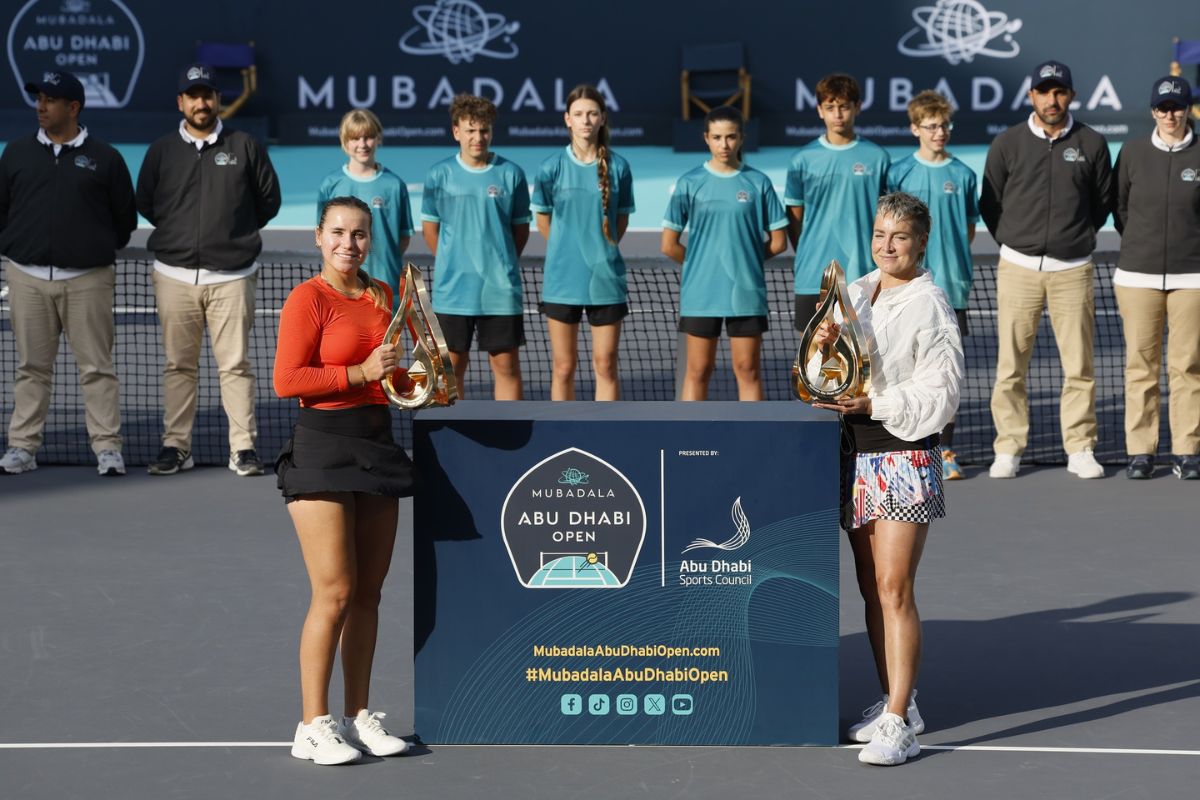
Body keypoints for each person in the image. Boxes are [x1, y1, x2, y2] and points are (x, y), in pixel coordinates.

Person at [809, 192, 963, 766]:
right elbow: (833, 372)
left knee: (895, 587)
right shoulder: (856, 292)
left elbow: (940, 396)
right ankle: (900, 701)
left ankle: (899, 725)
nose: (887, 246)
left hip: (902, 457)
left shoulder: (931, 305)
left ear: (921, 242)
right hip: (854, 457)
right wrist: (824, 354)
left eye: (899, 237)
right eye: (879, 235)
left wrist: (872, 401)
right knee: (872, 588)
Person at [274, 196, 414, 765]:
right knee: (333, 592)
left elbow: (392, 375)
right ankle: (312, 724)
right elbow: (288, 379)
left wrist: (418, 377)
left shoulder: (384, 295)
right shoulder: (307, 298)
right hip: (323, 447)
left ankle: (359, 717)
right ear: (318, 237)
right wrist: (359, 372)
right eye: (337, 233)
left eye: (359, 234)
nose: (348, 244)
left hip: (375, 443)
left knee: (369, 594)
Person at [136, 62, 281, 477]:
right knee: (178, 366)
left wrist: (231, 235)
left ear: (218, 100)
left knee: (235, 366)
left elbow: (268, 201)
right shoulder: (161, 150)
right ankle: (176, 446)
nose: (201, 102)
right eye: (193, 95)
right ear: (181, 102)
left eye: (208, 95)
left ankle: (243, 448)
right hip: (174, 276)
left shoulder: (246, 146)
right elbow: (146, 201)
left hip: (232, 276)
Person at [980, 60, 1114, 479]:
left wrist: (1073, 239)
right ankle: (1009, 447)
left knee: (1079, 367)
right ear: (1031, 96)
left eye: (1059, 92)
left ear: (1071, 95)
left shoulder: (1092, 142)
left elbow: (1102, 202)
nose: (1052, 100)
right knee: (1010, 366)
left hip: (1073, 269)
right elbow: (991, 202)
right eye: (1044, 92)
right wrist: (1014, 239)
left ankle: (1079, 447)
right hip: (1017, 267)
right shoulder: (1007, 143)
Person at [0, 71, 136, 477]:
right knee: (31, 368)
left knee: (97, 368)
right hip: (27, 277)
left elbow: (123, 222)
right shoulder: (16, 153)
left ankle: (108, 448)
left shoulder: (106, 158)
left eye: (50, 100)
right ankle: (22, 447)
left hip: (88, 280)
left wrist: (86, 250)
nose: (41, 107)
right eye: (39, 98)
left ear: (73, 108)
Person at [662, 106, 789, 401]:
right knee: (697, 370)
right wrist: (703, 265)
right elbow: (669, 244)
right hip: (700, 295)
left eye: (731, 137)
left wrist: (742, 260)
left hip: (745, 294)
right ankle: (689, 443)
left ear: (741, 138)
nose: (724, 144)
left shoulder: (758, 183)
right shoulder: (689, 183)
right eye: (717, 137)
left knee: (748, 370)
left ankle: (752, 442)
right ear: (706, 138)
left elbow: (779, 241)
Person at [887, 90, 979, 480]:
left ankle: (945, 450)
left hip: (951, 289)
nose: (939, 132)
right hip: (905, 290)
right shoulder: (899, 173)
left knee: (945, 375)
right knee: (902, 368)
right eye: (931, 126)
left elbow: (968, 232)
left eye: (944, 125)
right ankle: (905, 446)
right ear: (915, 129)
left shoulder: (964, 174)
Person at [1113, 76, 1200, 480]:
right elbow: (1121, 209)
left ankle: (1187, 451)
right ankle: (1140, 452)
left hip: (1193, 278)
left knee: (1187, 367)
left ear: (1189, 110)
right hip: (1137, 276)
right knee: (1141, 366)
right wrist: (1142, 246)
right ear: (1152, 111)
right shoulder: (1131, 153)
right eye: (1163, 108)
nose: (1170, 115)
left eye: (1177, 107)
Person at [421, 94, 530, 400]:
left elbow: (519, 231)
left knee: (506, 365)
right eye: (470, 131)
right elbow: (431, 230)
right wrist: (452, 262)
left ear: (491, 132)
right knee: (451, 366)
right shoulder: (439, 175)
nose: (477, 138)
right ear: (457, 132)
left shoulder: (511, 174)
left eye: (483, 131)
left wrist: (500, 261)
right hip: (452, 292)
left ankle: (512, 436)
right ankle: (455, 441)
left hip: (500, 292)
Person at [532, 84, 635, 400]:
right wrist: (568, 249)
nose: (586, 120)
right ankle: (561, 434)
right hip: (562, 281)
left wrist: (599, 250)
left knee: (605, 365)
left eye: (592, 113)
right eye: (579, 114)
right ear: (567, 119)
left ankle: (609, 436)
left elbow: (620, 221)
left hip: (606, 281)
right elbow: (544, 220)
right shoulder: (551, 168)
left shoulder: (618, 167)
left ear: (602, 118)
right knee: (563, 367)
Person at [785, 74, 890, 327]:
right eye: (830, 108)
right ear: (820, 111)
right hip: (813, 275)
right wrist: (812, 250)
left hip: (865, 274)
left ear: (857, 107)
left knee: (864, 362)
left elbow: (887, 216)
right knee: (811, 363)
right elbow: (795, 218)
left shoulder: (878, 158)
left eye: (844, 106)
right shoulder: (802, 160)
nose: (838, 114)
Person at [315, 109, 413, 310]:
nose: (362, 144)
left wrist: (380, 258)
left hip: (385, 285)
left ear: (378, 138)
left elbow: (403, 237)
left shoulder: (395, 185)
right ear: (345, 141)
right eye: (355, 138)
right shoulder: (330, 184)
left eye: (368, 137)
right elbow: (324, 237)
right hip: (340, 286)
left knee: (387, 343)